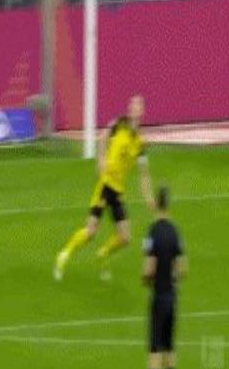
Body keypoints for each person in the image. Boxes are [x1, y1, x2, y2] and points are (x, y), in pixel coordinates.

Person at [54, 95, 154, 281]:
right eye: (133, 104)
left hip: (118, 191)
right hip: (105, 185)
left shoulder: (140, 143)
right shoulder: (119, 124)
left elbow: (144, 174)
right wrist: (100, 159)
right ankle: (64, 254)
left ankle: (103, 253)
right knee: (91, 231)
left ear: (142, 111)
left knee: (125, 237)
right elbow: (103, 138)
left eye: (138, 105)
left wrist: (149, 197)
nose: (134, 107)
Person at [143, 185, 187, 369]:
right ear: (168, 204)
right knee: (169, 345)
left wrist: (146, 279)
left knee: (154, 346)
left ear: (156, 204)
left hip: (158, 296)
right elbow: (182, 268)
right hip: (171, 296)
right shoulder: (175, 232)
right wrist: (174, 280)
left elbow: (149, 268)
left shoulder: (152, 232)